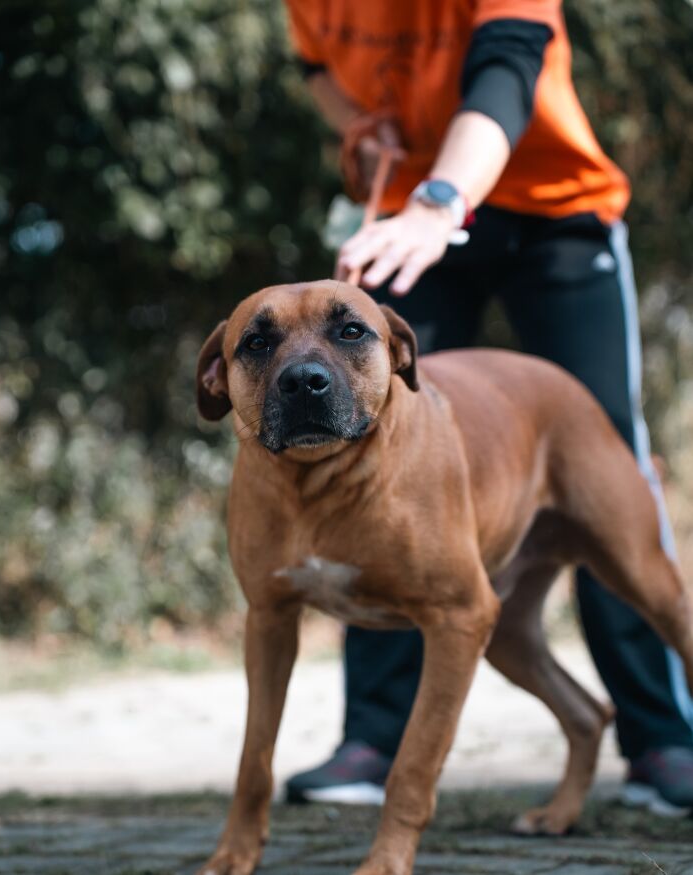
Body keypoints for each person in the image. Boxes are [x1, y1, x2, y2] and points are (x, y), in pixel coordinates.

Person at [282, 0, 693, 814]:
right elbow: (315, 67)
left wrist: (441, 201)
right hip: (408, 212)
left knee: (608, 456)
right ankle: (373, 736)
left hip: (552, 208)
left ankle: (662, 737)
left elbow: (506, 68)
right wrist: (363, 123)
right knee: (373, 449)